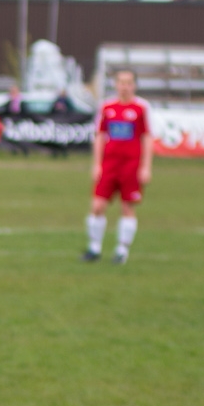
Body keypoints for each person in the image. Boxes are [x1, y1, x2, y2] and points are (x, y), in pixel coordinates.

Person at [83, 69, 152, 264]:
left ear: (134, 85)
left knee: (127, 208)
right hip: (109, 165)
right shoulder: (107, 107)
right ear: (115, 84)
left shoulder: (142, 108)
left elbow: (147, 138)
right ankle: (94, 248)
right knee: (97, 206)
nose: (125, 86)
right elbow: (99, 136)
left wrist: (146, 167)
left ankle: (122, 250)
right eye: (121, 82)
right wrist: (96, 164)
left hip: (131, 165)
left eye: (129, 82)